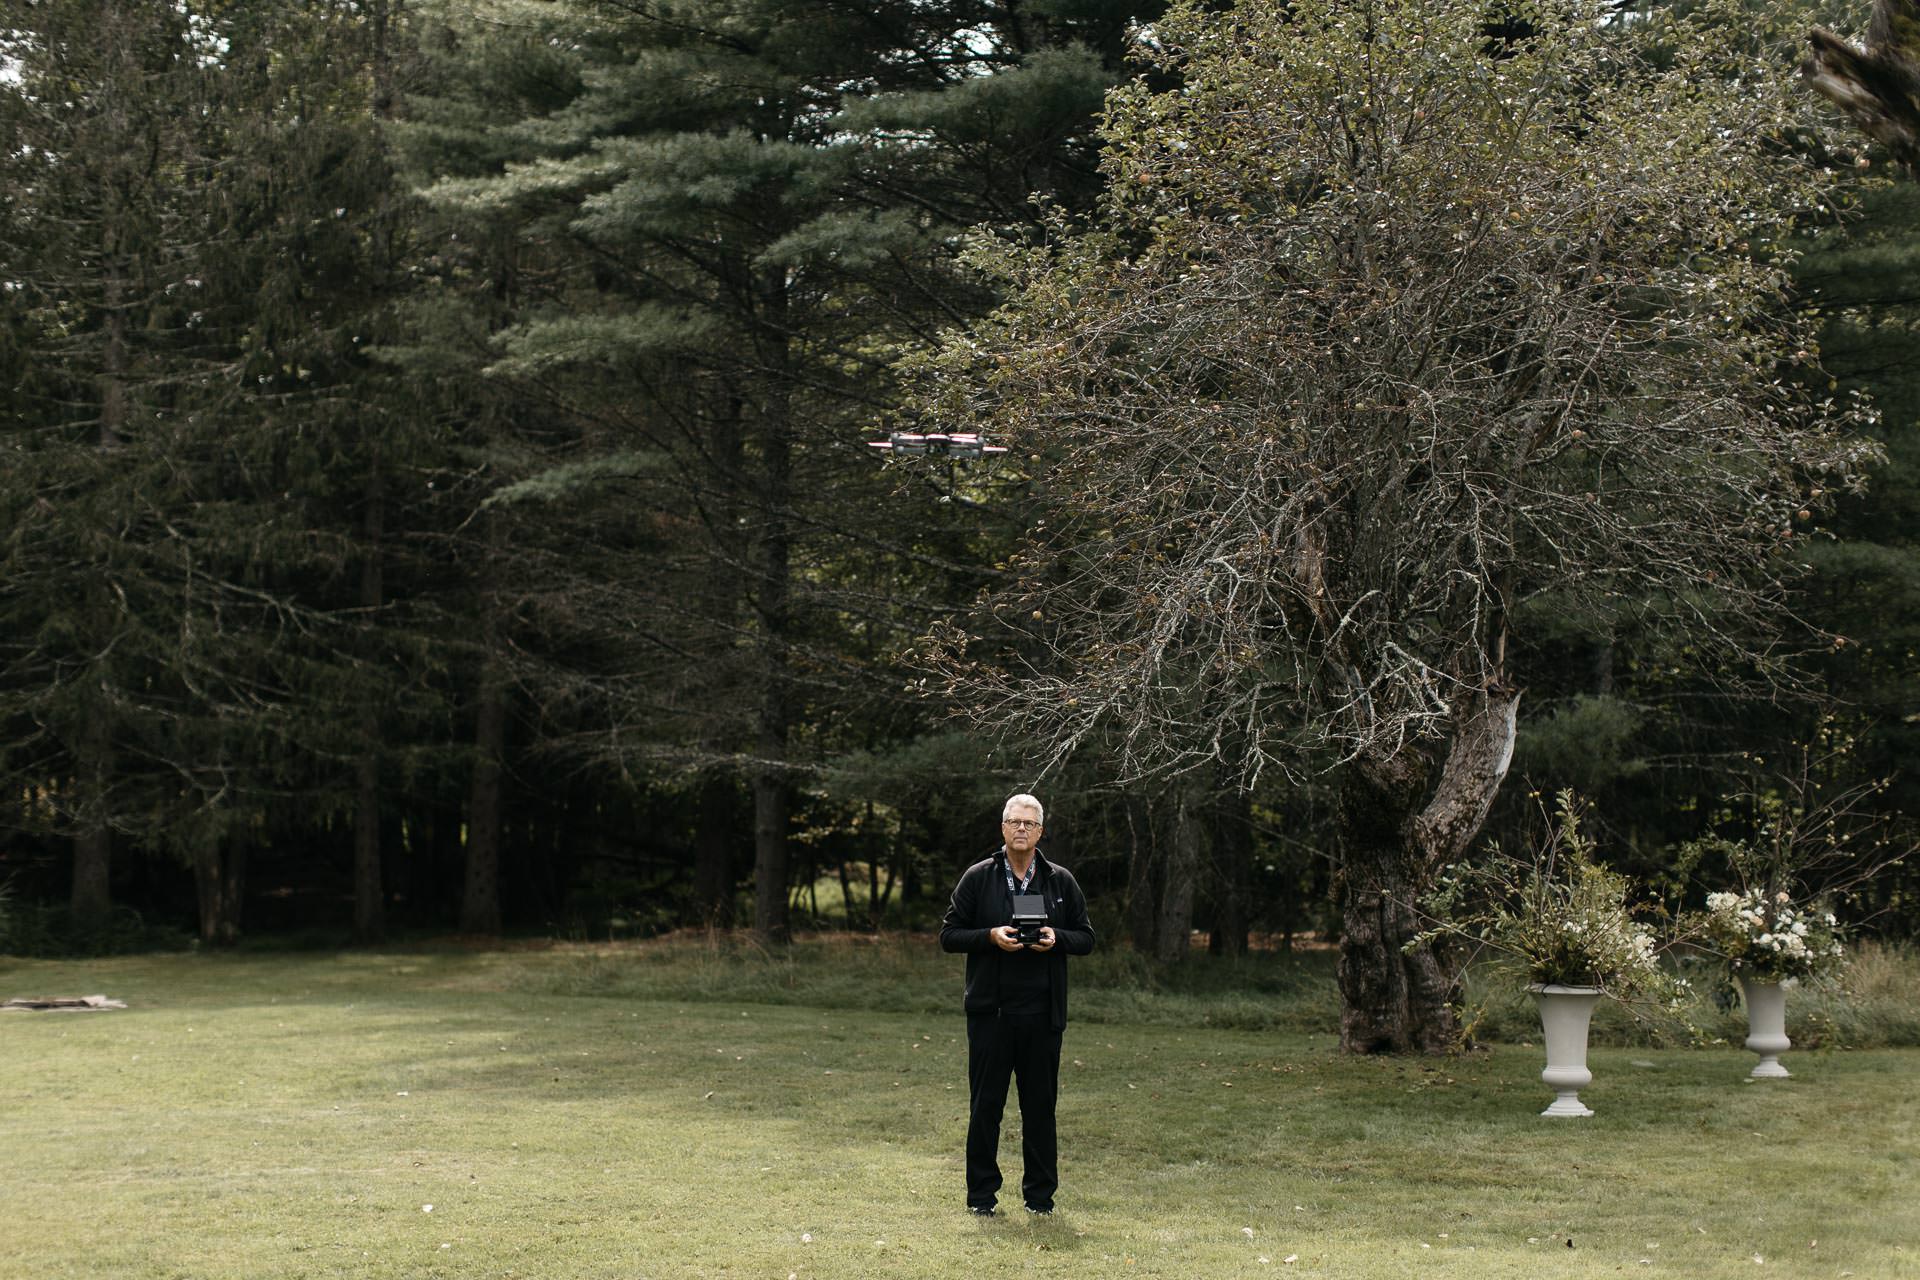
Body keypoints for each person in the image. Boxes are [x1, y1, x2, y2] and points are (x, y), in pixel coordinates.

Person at [939, 792, 1096, 1217]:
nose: (1021, 829)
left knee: (1040, 1111)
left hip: (1042, 1018)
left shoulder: (1060, 880)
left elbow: (1086, 937)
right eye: (1014, 822)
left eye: (1029, 823)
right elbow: (949, 935)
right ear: (1003, 829)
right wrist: (990, 936)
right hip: (991, 1015)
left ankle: (1040, 1199)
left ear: (1041, 831)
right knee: (986, 1108)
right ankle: (981, 1198)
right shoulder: (979, 877)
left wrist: (1056, 939)